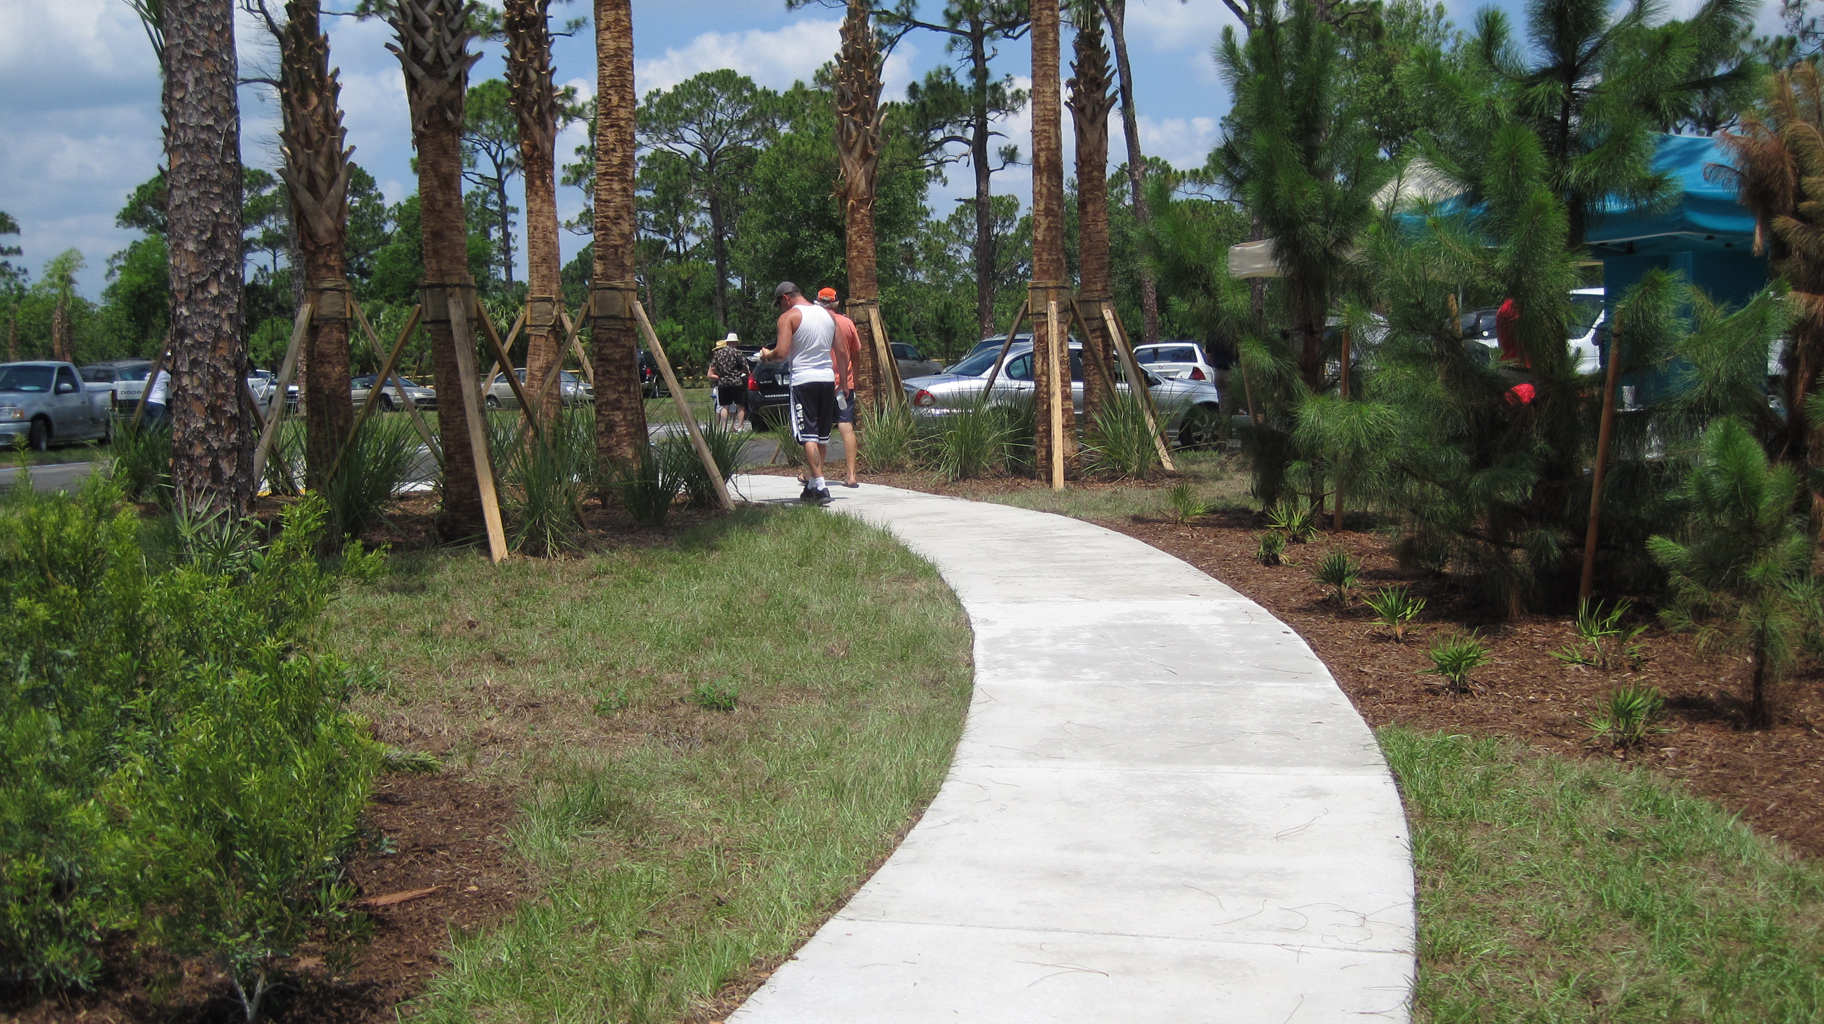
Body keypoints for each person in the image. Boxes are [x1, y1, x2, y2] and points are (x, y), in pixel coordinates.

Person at [759, 281, 848, 505]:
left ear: (786, 298)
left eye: (779, 303)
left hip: (803, 381)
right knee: (821, 436)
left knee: (808, 435)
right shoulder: (828, 315)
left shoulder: (789, 317)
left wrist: (766, 356)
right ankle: (811, 486)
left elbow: (781, 353)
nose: (780, 308)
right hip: (827, 379)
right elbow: (841, 351)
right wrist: (844, 382)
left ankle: (820, 486)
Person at [817, 287, 863, 487]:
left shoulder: (815, 323)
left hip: (821, 381)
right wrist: (855, 379)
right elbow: (856, 354)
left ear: (818, 302)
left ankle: (815, 475)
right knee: (846, 425)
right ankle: (851, 475)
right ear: (837, 302)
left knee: (819, 429)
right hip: (845, 384)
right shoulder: (846, 323)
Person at [706, 331, 749, 431]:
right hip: (736, 382)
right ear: (736, 343)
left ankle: (723, 428)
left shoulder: (718, 354)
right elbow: (745, 368)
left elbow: (711, 371)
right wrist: (745, 373)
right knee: (740, 405)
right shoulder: (738, 353)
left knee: (724, 406)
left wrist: (720, 377)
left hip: (723, 384)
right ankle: (740, 427)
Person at [141, 366, 170, 430]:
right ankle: (157, 438)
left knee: (148, 423)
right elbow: (171, 378)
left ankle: (149, 438)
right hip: (158, 401)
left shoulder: (148, 376)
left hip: (148, 401)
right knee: (159, 424)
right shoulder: (162, 374)